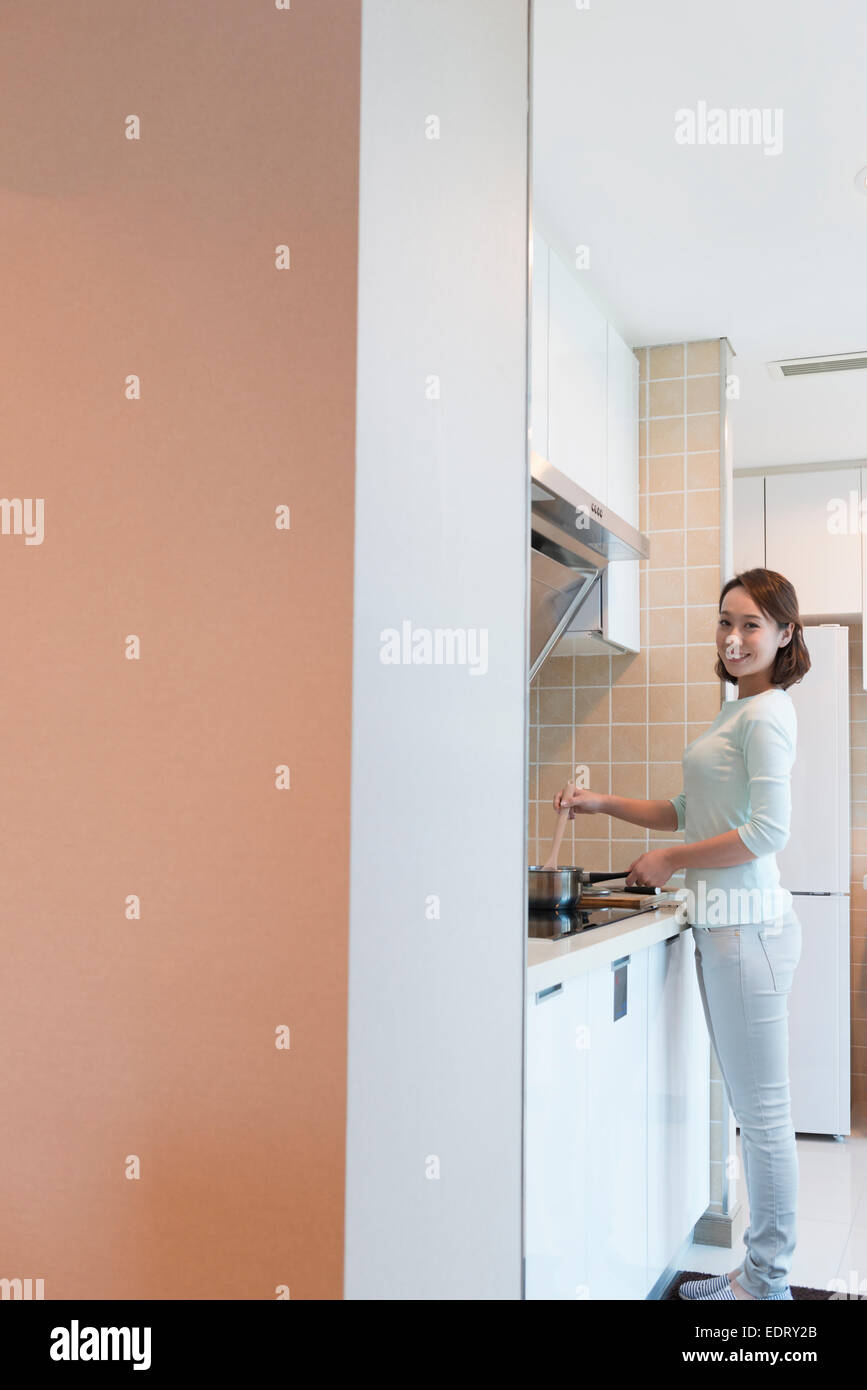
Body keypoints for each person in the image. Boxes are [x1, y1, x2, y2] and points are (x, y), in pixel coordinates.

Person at [555, 568, 811, 1301]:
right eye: (725, 622)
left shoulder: (766, 715)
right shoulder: (738, 711)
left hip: (745, 934)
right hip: (730, 932)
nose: (733, 638)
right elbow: (685, 808)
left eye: (751, 625)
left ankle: (766, 1287)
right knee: (754, 1114)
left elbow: (766, 832)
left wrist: (668, 862)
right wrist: (601, 802)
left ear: (784, 633)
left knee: (763, 1120)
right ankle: (756, 1275)